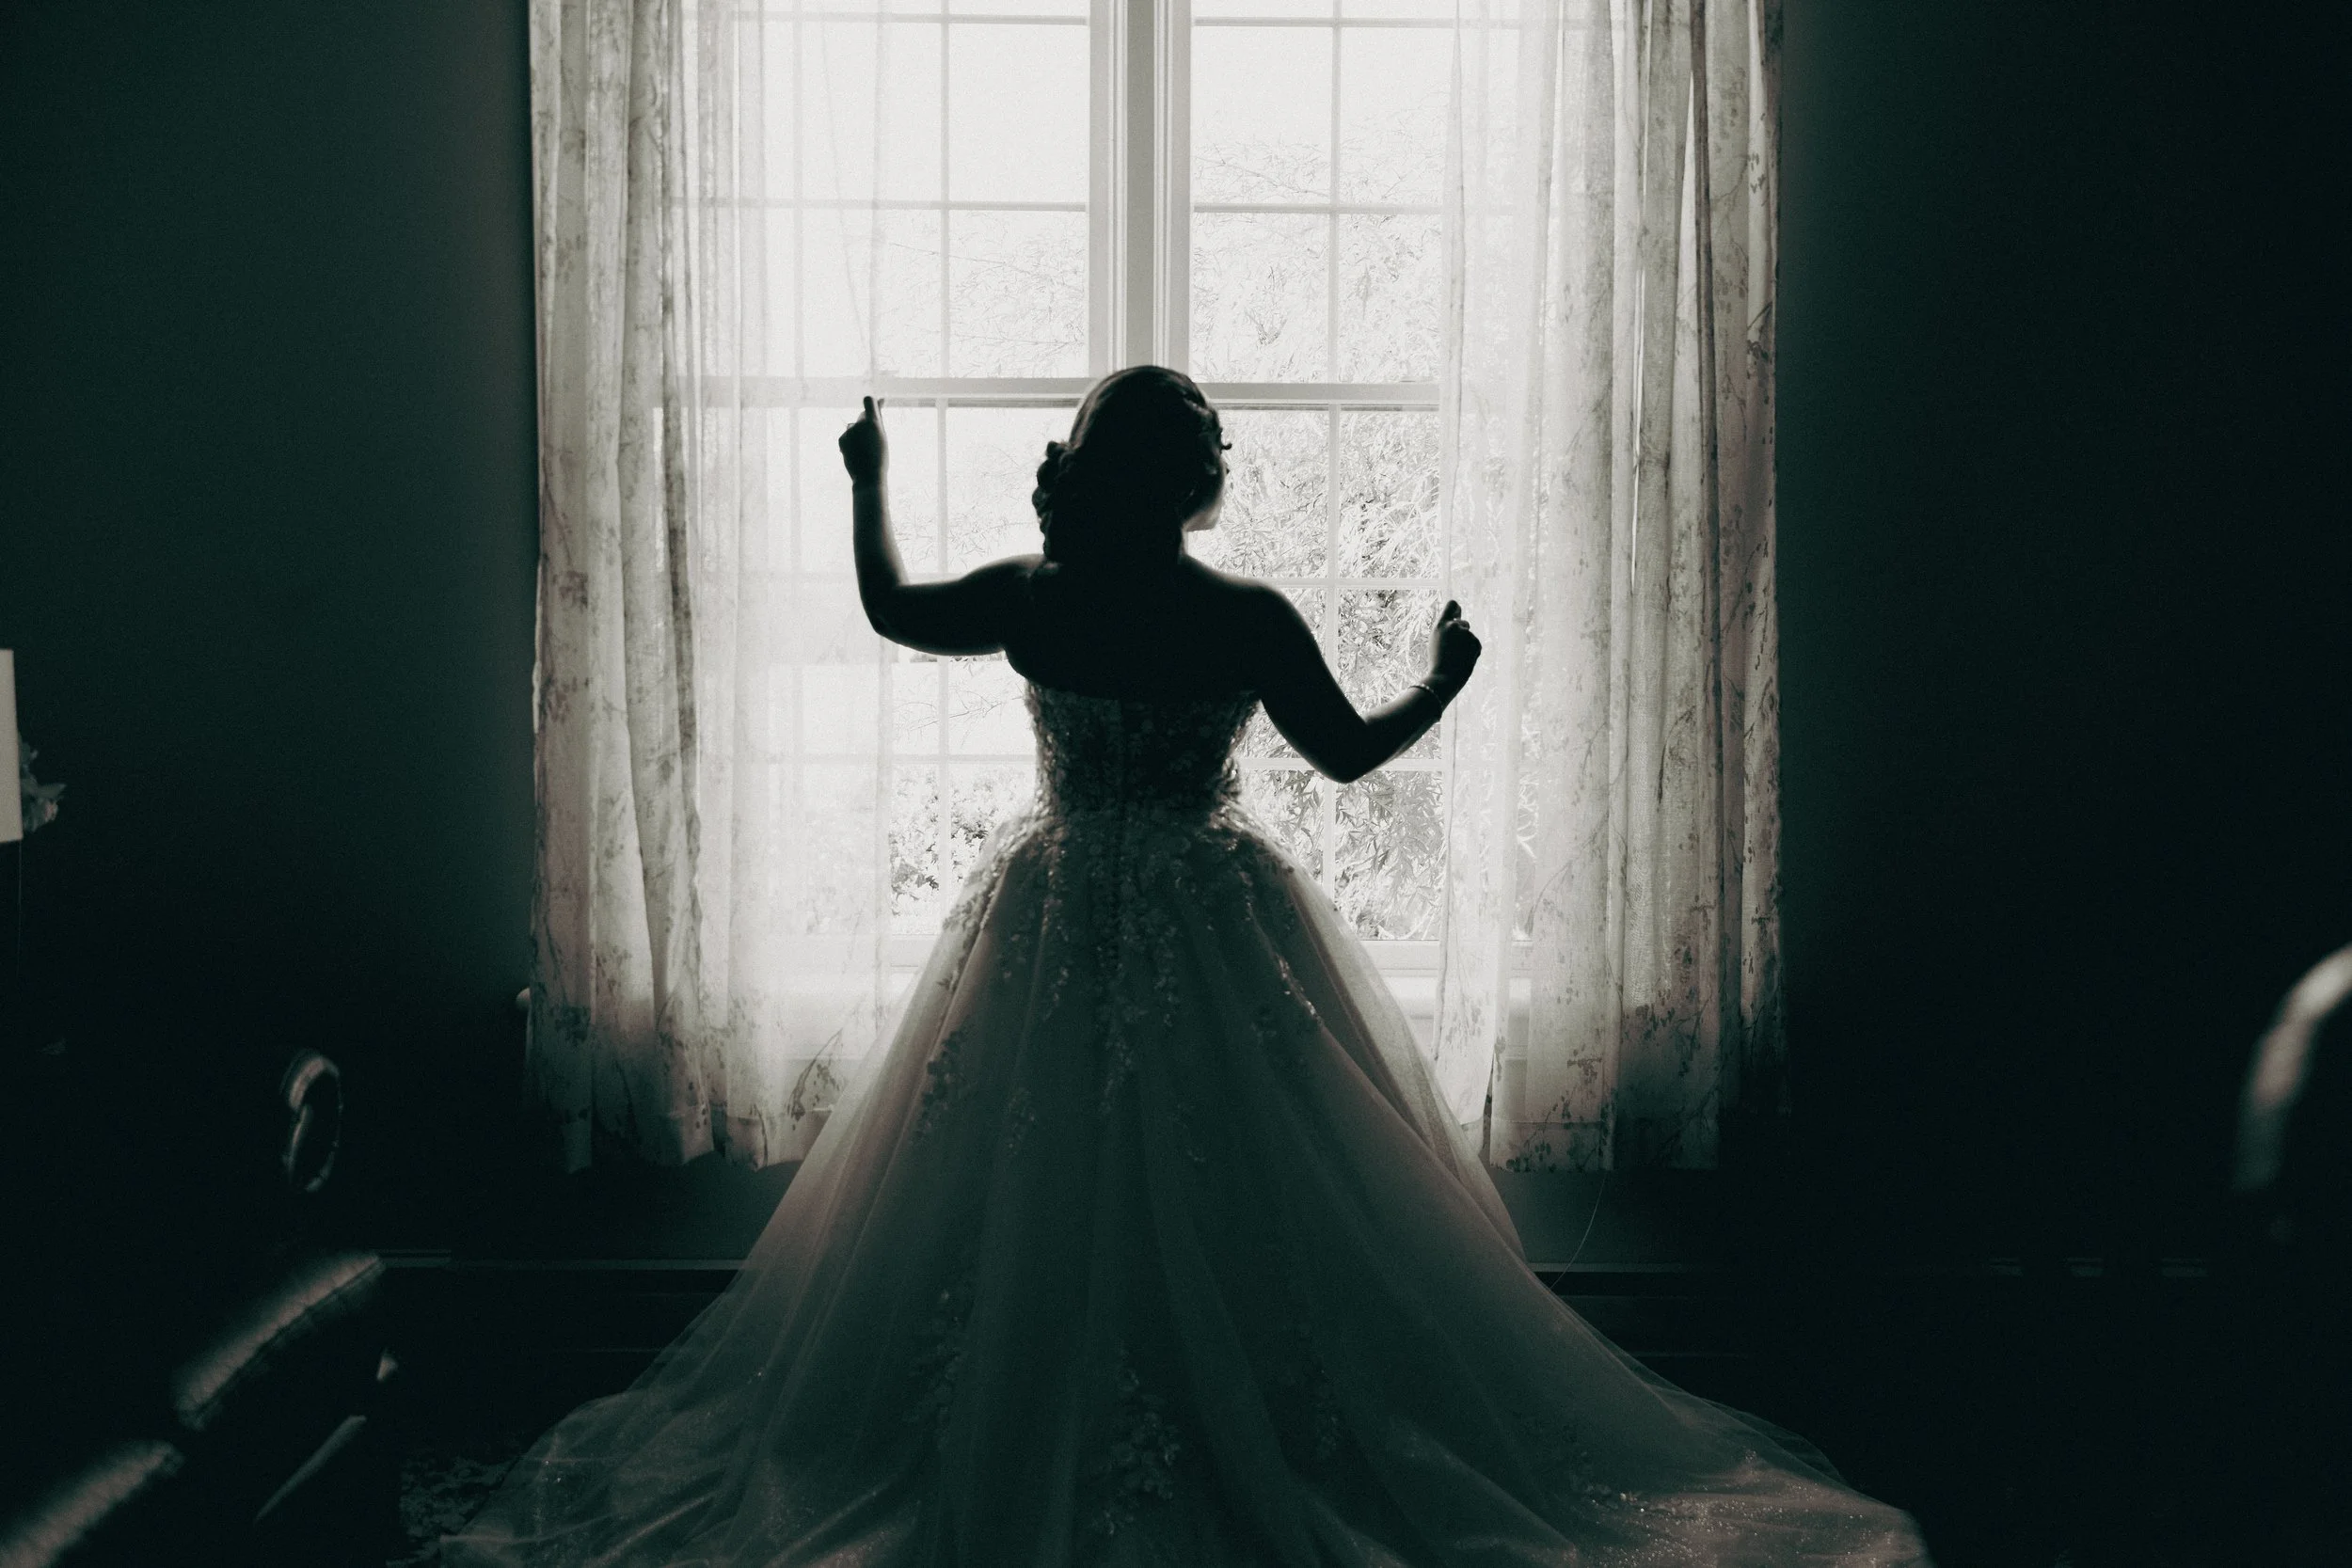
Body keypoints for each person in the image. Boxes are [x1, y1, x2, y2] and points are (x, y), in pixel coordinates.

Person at [445, 367, 1933, 1566]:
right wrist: (1442, 678)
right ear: (1196, 478)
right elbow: (1349, 756)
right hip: (1210, 914)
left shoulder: (1037, 592)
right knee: (1248, 1189)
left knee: (1023, 1194)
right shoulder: (1245, 617)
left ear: (1094, 468)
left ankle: (1029, 1430)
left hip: (1053, 902)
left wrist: (865, 479)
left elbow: (892, 610)